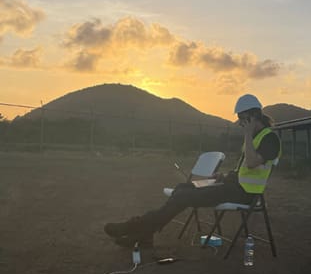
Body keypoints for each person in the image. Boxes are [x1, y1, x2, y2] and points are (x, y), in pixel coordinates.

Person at [104, 94, 281, 248]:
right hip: (232, 186)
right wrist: (224, 175)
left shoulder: (270, 139)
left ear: (253, 116)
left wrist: (248, 134)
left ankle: (135, 229)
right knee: (182, 188)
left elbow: (251, 163)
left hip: (244, 194)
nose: (241, 124)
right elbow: (244, 170)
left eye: (243, 119)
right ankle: (143, 233)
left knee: (182, 197)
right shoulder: (254, 138)